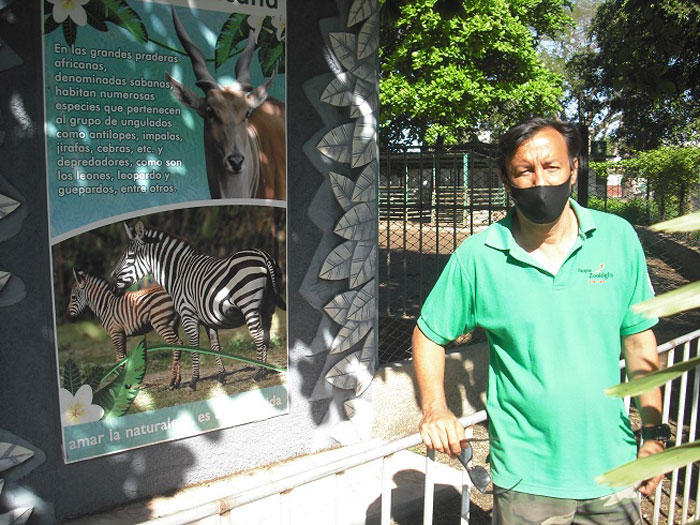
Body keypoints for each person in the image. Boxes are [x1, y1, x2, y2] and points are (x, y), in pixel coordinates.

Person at [413, 117, 668, 524]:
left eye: (551, 167)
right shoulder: (478, 257)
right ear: (505, 179)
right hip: (527, 479)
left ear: (573, 168)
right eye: (524, 171)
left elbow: (638, 342)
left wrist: (654, 434)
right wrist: (435, 408)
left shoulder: (618, 239)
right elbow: (429, 333)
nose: (539, 181)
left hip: (615, 466)